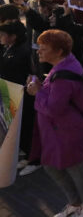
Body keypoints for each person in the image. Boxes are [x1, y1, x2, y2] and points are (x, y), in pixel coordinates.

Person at [26, 30, 83, 217]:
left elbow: (53, 108)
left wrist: (37, 92)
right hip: (57, 131)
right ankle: (75, 203)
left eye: (43, 49)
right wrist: (42, 86)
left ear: (58, 52)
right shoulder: (63, 65)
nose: (38, 52)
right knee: (52, 165)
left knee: (75, 168)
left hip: (65, 131)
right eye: (39, 48)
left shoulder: (64, 75)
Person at [0, 20, 36, 173]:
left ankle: (33, 158)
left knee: (27, 125)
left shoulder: (22, 51)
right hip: (10, 93)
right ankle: (24, 151)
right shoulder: (8, 48)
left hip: (21, 94)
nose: (0, 37)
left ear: (13, 37)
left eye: (2, 35)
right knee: (16, 125)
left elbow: (29, 73)